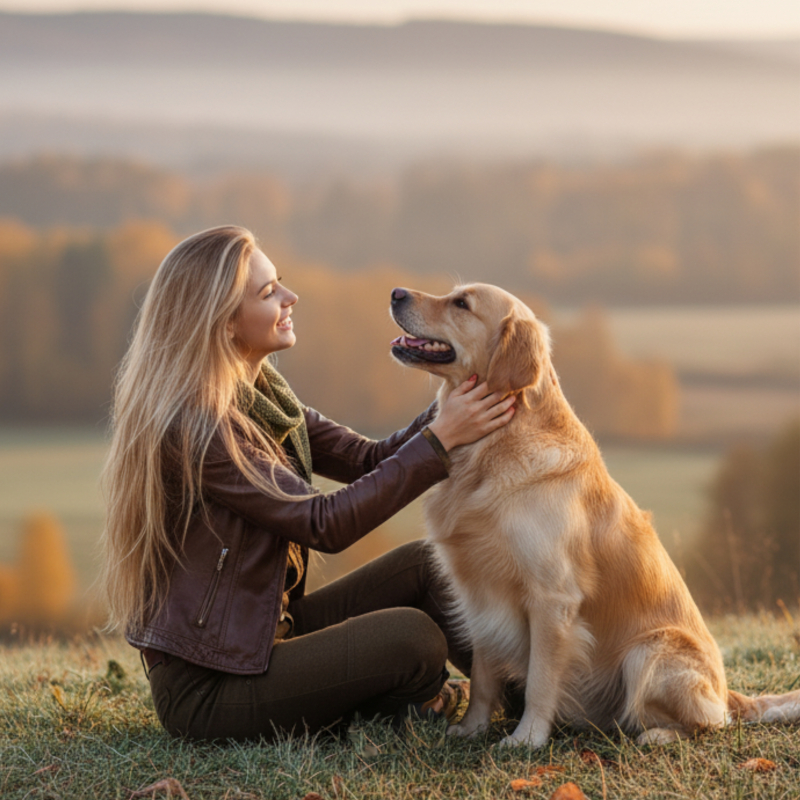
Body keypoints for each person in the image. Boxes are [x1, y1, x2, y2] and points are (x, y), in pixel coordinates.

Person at [99, 225, 516, 742]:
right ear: (225, 323)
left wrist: (450, 407)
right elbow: (324, 524)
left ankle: (542, 705)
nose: (291, 297)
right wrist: (439, 440)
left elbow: (368, 459)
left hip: (266, 637)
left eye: (282, 283)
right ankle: (405, 697)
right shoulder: (200, 429)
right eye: (269, 292)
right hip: (212, 686)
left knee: (431, 568)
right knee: (413, 640)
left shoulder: (263, 393)